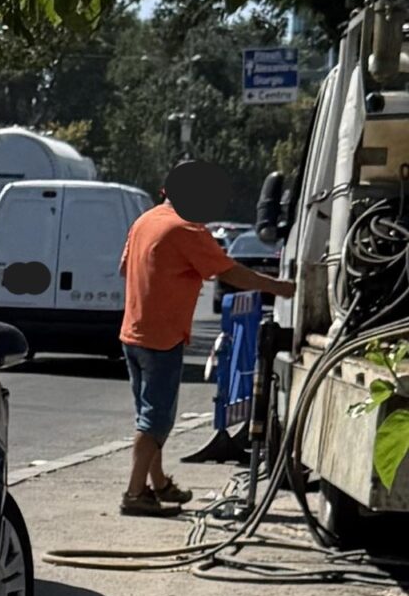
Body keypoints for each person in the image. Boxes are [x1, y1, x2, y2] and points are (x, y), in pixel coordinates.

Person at [118, 160, 296, 516]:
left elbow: (125, 267)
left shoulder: (146, 221)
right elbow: (229, 272)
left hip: (133, 334)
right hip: (161, 338)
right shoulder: (186, 229)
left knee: (149, 418)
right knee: (156, 422)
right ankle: (135, 495)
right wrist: (278, 287)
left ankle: (159, 486)